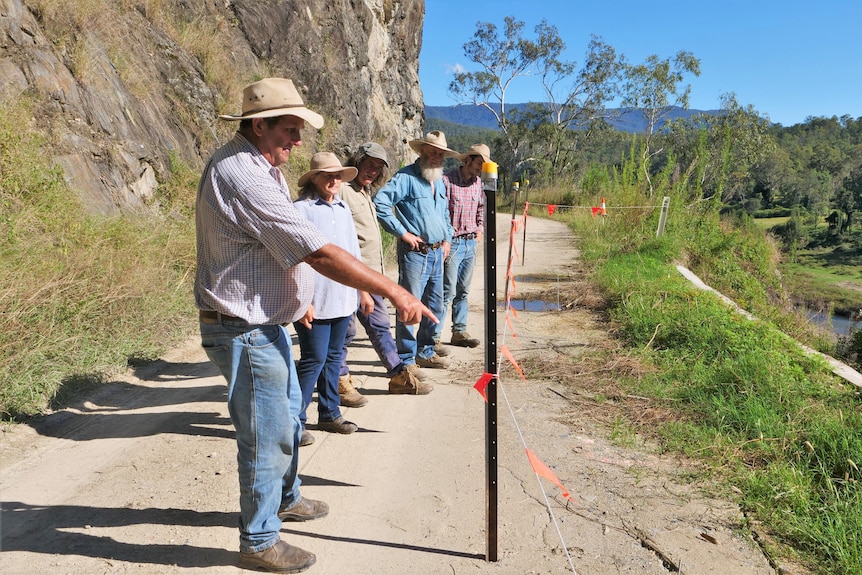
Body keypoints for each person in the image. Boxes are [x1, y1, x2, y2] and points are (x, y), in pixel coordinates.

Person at [195, 78, 434, 574]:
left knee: (283, 419)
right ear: (258, 125)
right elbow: (318, 251)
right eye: (289, 128)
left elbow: (282, 251)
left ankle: (285, 499)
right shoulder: (244, 174)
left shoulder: (260, 166)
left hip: (264, 323)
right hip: (244, 327)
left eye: (299, 129)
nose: (297, 140)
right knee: (268, 434)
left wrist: (299, 297)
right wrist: (394, 291)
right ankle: (259, 539)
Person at [338, 142, 433, 397]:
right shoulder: (343, 192)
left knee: (380, 326)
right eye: (369, 165)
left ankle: (398, 375)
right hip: (350, 277)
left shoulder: (364, 192)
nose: (372, 171)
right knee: (345, 332)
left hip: (372, 276)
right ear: (357, 161)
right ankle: (340, 381)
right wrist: (359, 286)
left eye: (378, 168)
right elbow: (342, 241)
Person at [293, 152, 363, 443]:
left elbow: (352, 254)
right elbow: (294, 257)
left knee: (334, 357)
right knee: (314, 358)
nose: (334, 180)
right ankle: (293, 421)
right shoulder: (301, 209)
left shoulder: (343, 208)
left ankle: (329, 412)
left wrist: (363, 289)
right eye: (327, 175)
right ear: (314, 179)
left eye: (337, 175)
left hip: (342, 297)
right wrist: (302, 300)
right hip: (315, 298)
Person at [373, 130, 457, 371]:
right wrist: (403, 233)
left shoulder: (438, 179)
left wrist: (447, 238)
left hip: (436, 253)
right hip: (415, 253)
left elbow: (444, 213)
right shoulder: (406, 177)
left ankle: (425, 352)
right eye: (433, 151)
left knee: (436, 306)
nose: (437, 156)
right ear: (422, 151)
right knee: (409, 306)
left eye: (441, 153)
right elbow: (381, 203)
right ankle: (407, 360)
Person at [433, 143, 490, 348]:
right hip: (452, 243)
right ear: (468, 160)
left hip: (469, 244)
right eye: (478, 163)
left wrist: (480, 229)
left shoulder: (478, 184)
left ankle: (459, 331)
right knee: (447, 291)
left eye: (484, 165)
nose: (480, 168)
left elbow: (481, 209)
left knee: (464, 290)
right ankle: (434, 337)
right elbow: (439, 211)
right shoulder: (446, 180)